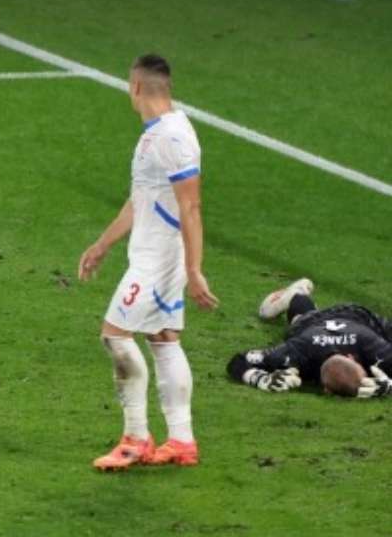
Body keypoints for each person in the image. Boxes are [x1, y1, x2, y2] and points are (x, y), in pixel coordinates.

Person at [78, 54, 219, 471]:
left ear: (136, 86)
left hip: (158, 260)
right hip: (153, 253)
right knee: (163, 337)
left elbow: (191, 206)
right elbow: (141, 198)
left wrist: (194, 270)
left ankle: (136, 439)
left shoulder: (170, 137)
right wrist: (103, 244)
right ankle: (182, 441)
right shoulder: (159, 132)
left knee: (115, 335)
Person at [227, 278, 392, 398]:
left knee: (304, 319)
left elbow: (239, 361)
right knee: (303, 320)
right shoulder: (379, 354)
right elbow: (237, 361)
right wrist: (261, 380)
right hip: (337, 320)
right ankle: (296, 295)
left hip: (346, 319)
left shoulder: (295, 353)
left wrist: (259, 379)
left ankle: (297, 296)